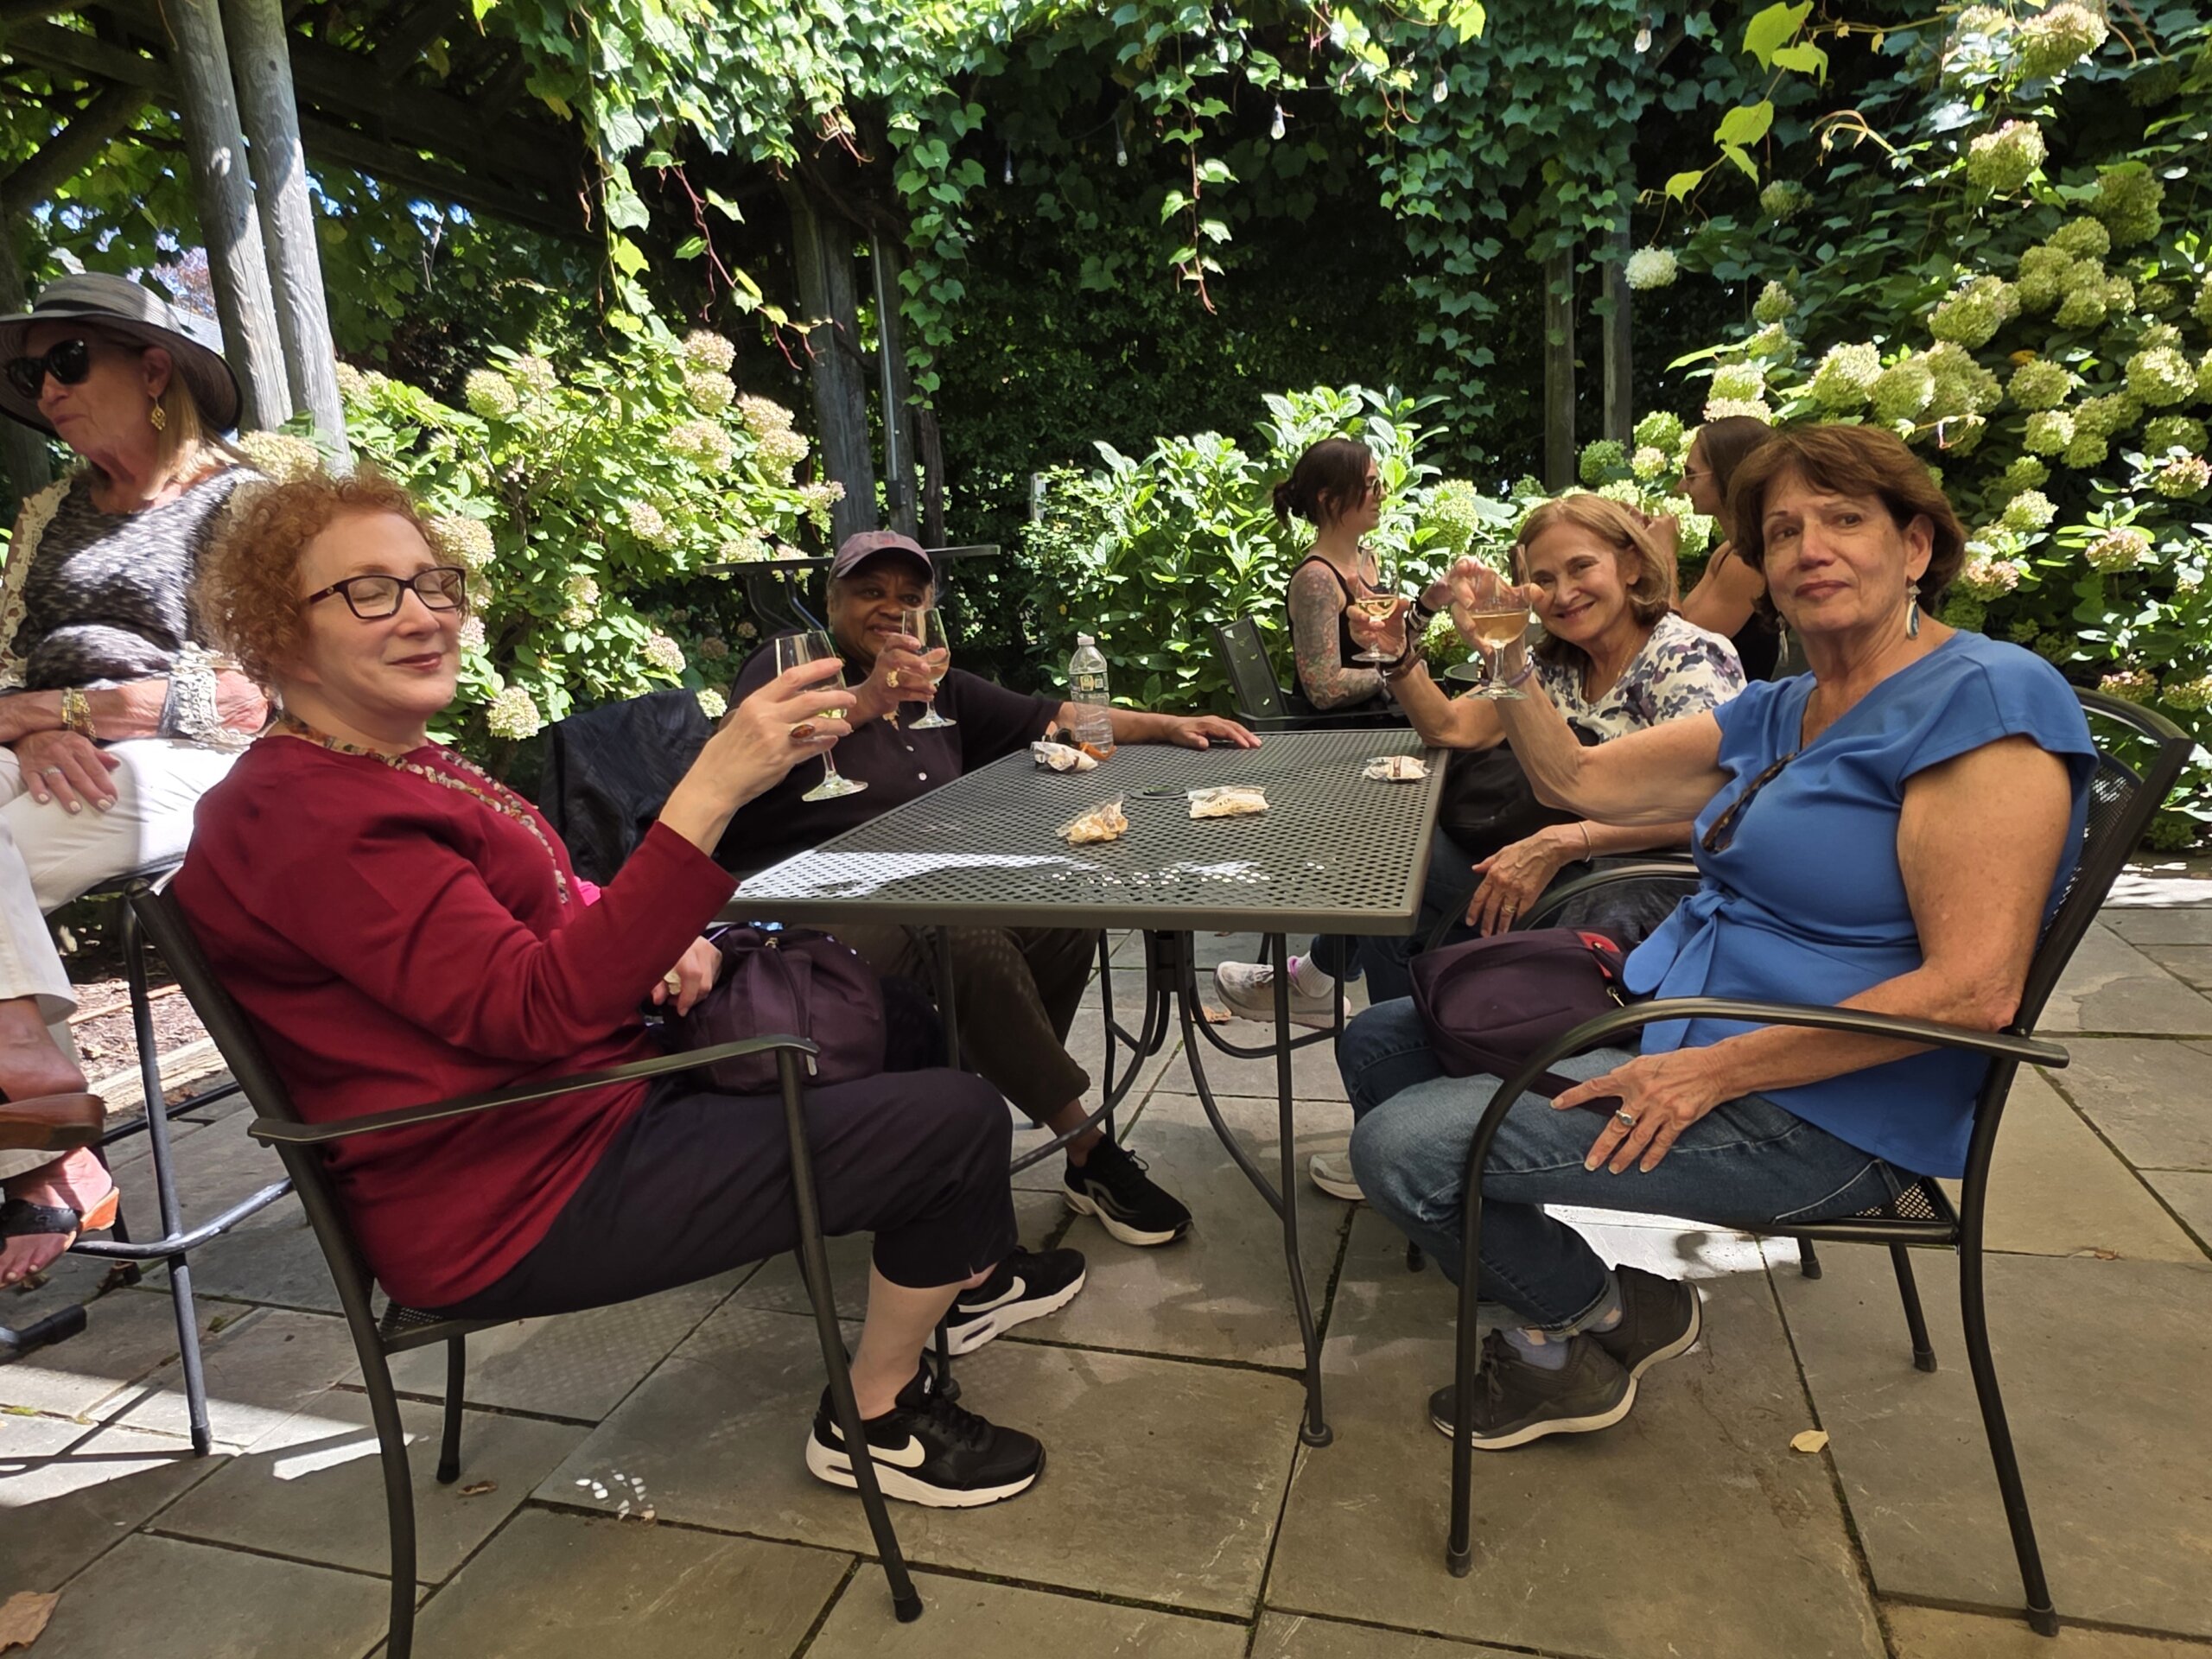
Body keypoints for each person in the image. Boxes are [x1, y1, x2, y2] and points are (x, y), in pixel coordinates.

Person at [176, 474, 1076, 1506]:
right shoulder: (307, 816)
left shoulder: (388, 763)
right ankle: (875, 1418)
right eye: (369, 592)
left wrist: (656, 924)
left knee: (902, 1018)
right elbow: (533, 1009)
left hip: (582, 1103)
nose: (424, 614)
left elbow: (535, 903)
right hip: (517, 1187)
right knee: (952, 1121)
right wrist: (711, 787)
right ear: (278, 633)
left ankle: (971, 1275)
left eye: (432, 583)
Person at [1338, 423, 2095, 1450]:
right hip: (1685, 1011)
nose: (1809, 549)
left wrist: (1709, 1071)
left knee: (1402, 1149)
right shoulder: (1793, 705)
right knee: (1377, 1043)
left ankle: (1573, 1324)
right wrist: (1508, 652)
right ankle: (1589, 1300)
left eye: (1843, 520)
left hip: (1822, 1103)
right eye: (1781, 531)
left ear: (1915, 545)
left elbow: (1972, 993)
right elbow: (1575, 780)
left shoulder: (1983, 700)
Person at [719, 530, 1259, 1250]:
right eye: (870, 591)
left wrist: (1172, 723)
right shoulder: (791, 667)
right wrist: (870, 698)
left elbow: (1060, 717)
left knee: (1064, 909)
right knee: (970, 944)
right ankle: (1084, 1147)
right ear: (832, 600)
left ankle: (991, 1087)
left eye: (910, 597)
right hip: (807, 902)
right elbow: (761, 741)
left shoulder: (934, 681)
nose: (892, 608)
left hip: (923, 885)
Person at [1212, 494, 1745, 1180]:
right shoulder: (1555, 664)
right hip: (1557, 868)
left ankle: (1405, 1102)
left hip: (1629, 899)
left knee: (1396, 879)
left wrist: (1570, 840)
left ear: (1633, 567)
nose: (1562, 592)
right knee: (1392, 860)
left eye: (1581, 567)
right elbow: (1453, 727)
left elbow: (1727, 806)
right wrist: (1398, 655)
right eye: (1543, 579)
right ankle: (1409, 1118)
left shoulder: (1687, 658)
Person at [0, 273, 268, 1289]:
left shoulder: (242, 504)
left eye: (68, 362)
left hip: (193, 766)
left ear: (154, 370)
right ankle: (37, 1106)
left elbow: (248, 697)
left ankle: (43, 1150)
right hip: (38, 754)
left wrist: (61, 713)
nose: (47, 390)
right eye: (31, 375)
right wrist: (30, 725)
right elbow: (3, 671)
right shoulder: (48, 511)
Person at [1276, 438, 1445, 715]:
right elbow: (1324, 688)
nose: (1382, 495)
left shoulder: (1368, 558)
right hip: (1342, 731)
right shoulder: (1316, 580)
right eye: (1370, 485)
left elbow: (1387, 646)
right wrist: (1398, 674)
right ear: (1329, 498)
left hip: (1378, 718)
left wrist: (1429, 603)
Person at [1675, 416, 1781, 680]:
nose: (1682, 487)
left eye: (1691, 474)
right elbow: (1679, 619)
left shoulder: (1747, 562)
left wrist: (1663, 556)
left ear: (1728, 474)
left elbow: (1678, 647)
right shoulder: (1728, 551)